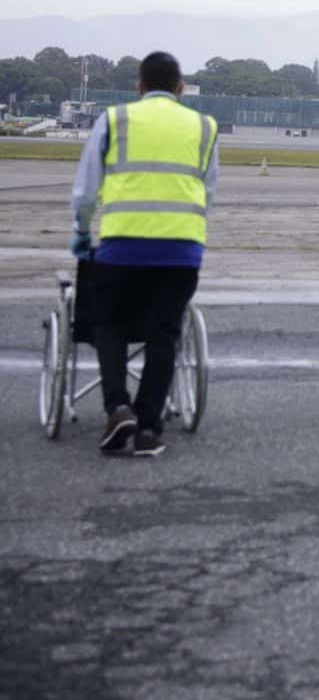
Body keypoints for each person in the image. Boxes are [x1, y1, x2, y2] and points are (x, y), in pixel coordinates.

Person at [69, 51, 218, 458]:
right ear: (180, 88)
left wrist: (82, 233)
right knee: (164, 335)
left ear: (138, 87)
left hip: (123, 246)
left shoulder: (115, 120)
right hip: (182, 249)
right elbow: (209, 192)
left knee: (109, 325)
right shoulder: (204, 126)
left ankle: (118, 407)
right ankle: (150, 428)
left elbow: (85, 191)